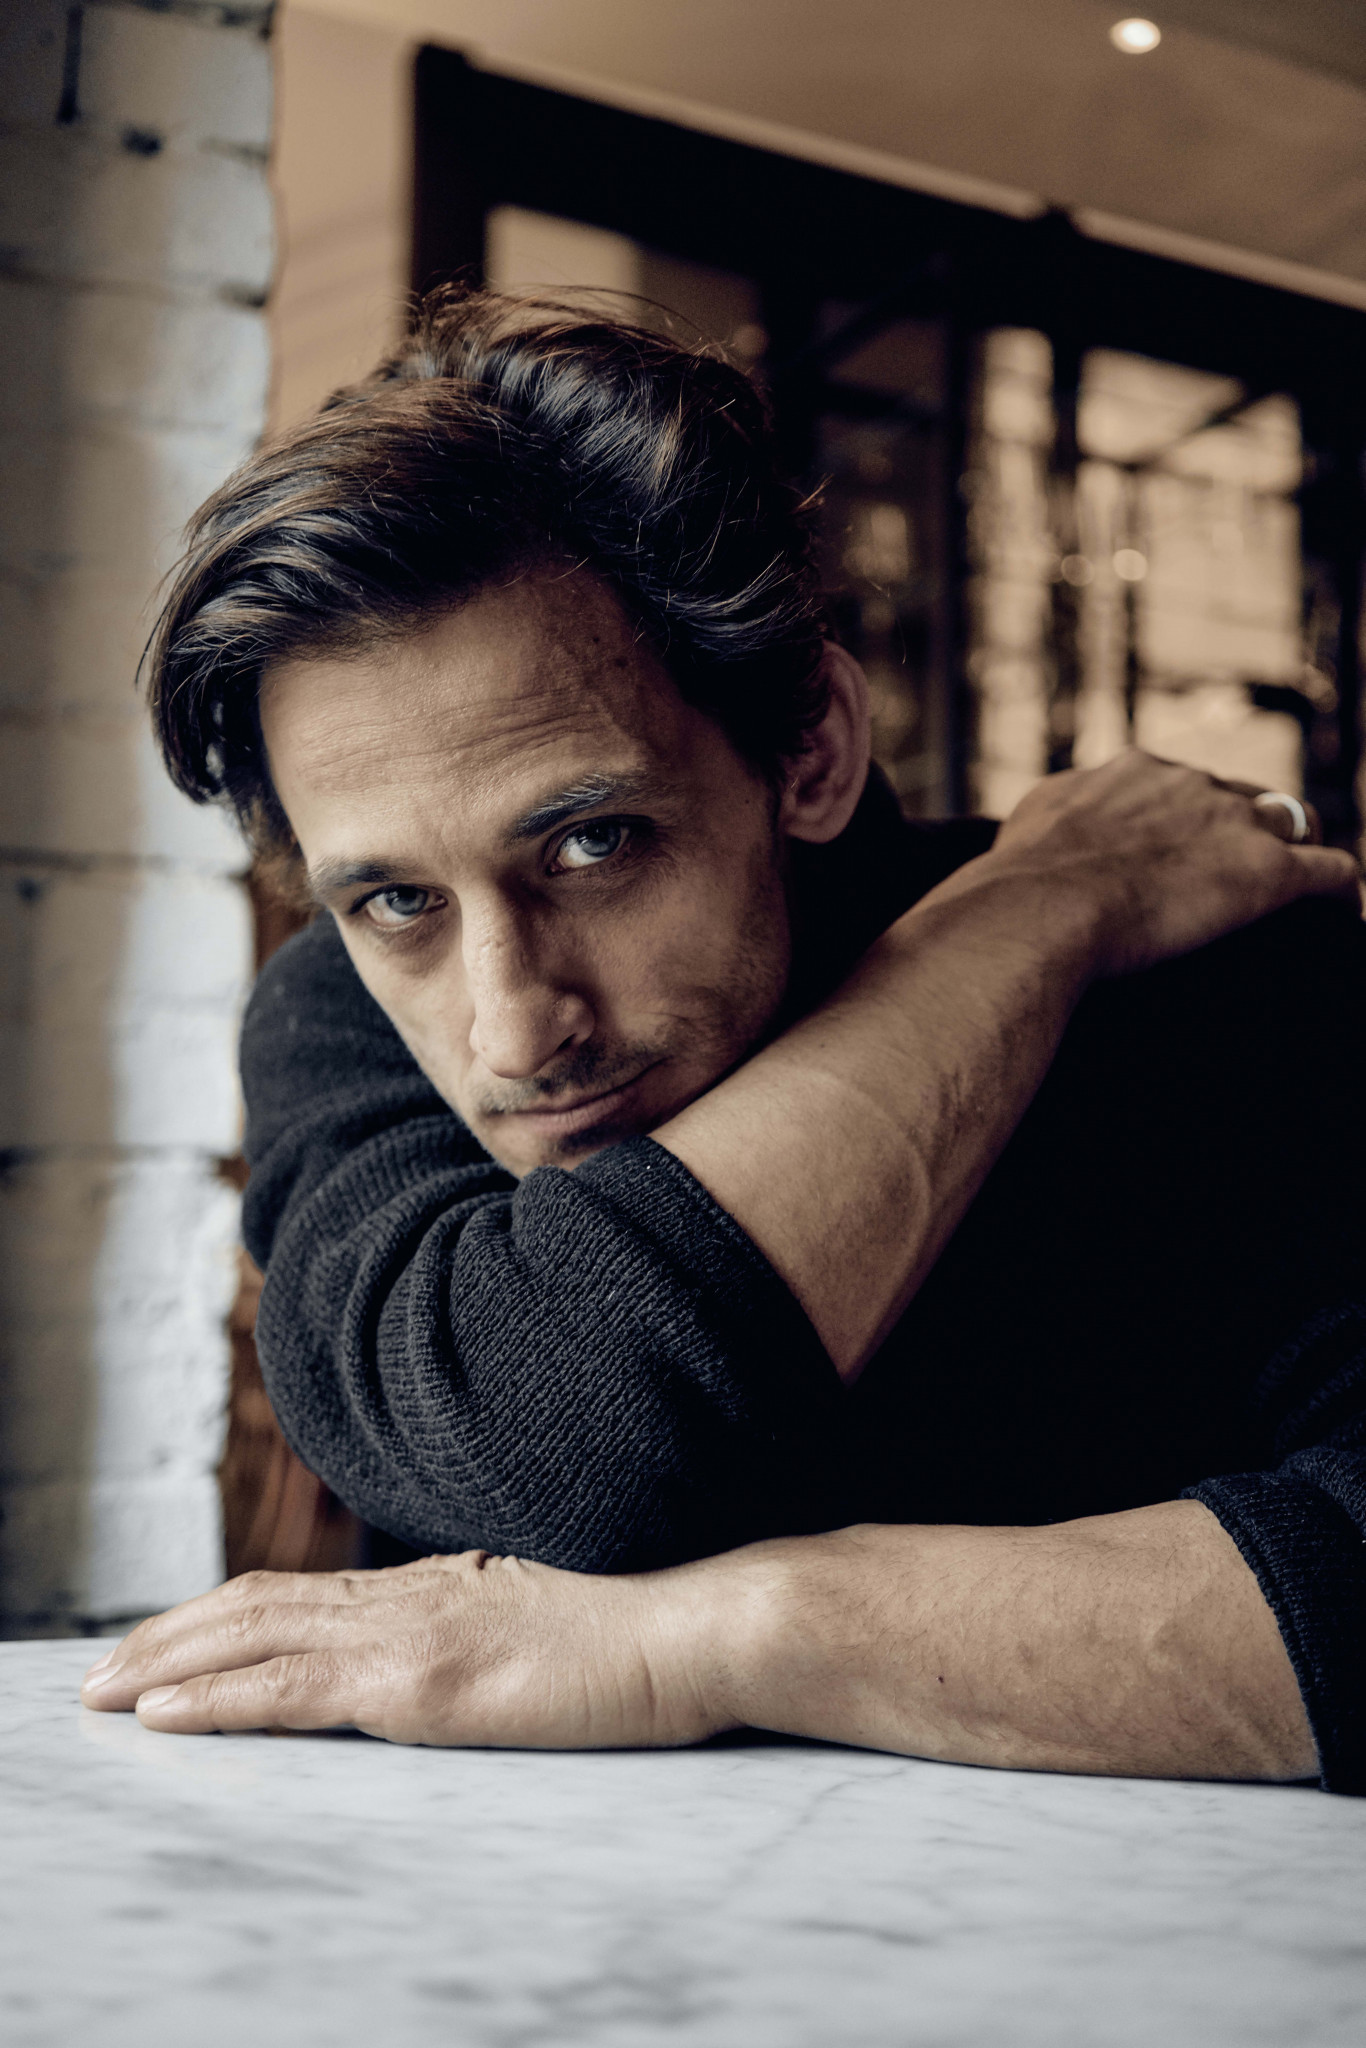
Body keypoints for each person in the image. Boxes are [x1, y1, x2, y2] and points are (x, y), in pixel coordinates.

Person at [83, 291, 1366, 1790]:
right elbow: (533, 1433)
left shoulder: (1216, 981)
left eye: (593, 843)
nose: (513, 1029)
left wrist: (711, 1638)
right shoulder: (338, 1003)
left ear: (808, 747)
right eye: (397, 898)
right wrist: (1028, 915)